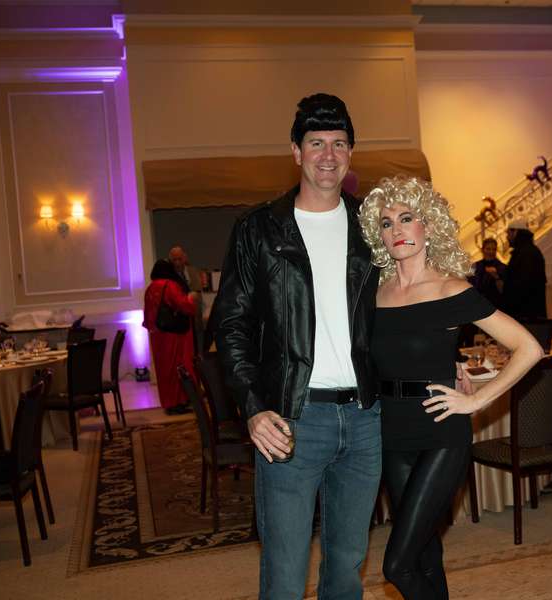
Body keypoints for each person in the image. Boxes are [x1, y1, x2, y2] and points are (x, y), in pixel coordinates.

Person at [213, 93, 381, 599]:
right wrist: (253, 407)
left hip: (365, 419)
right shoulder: (258, 229)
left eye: (339, 144)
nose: (328, 155)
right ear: (295, 151)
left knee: (347, 570)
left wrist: (442, 361)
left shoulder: (372, 226)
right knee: (285, 577)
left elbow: (406, 304)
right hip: (291, 420)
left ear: (351, 153)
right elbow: (231, 326)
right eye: (316, 143)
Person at [358, 175, 543, 599]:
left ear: (429, 226)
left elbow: (528, 348)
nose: (397, 229)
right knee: (425, 554)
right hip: (390, 431)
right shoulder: (374, 294)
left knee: (396, 565)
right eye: (386, 223)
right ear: (378, 235)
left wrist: (477, 400)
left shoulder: (451, 289)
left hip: (441, 430)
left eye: (407, 218)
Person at [143, 258, 198, 415]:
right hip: (172, 335)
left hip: (157, 336)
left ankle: (168, 403)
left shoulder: (150, 288)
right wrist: (191, 298)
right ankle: (177, 402)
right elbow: (184, 305)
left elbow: (147, 314)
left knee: (163, 370)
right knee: (176, 367)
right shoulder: (170, 285)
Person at [502, 221, 548, 320]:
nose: (507, 237)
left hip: (526, 314)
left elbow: (522, 284)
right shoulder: (529, 250)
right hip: (529, 312)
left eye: (508, 233)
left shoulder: (525, 253)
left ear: (515, 232)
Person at [169, 245, 205, 355]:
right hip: (181, 319)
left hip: (195, 315)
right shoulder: (169, 276)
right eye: (174, 260)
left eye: (179, 259)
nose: (177, 263)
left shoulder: (193, 271)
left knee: (198, 344)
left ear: (185, 258)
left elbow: (198, 292)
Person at [469, 237, 506, 307]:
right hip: (479, 304)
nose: (491, 252)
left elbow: (504, 291)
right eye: (488, 249)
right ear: (482, 250)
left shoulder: (502, 267)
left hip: (496, 305)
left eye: (494, 249)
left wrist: (496, 277)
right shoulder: (476, 266)